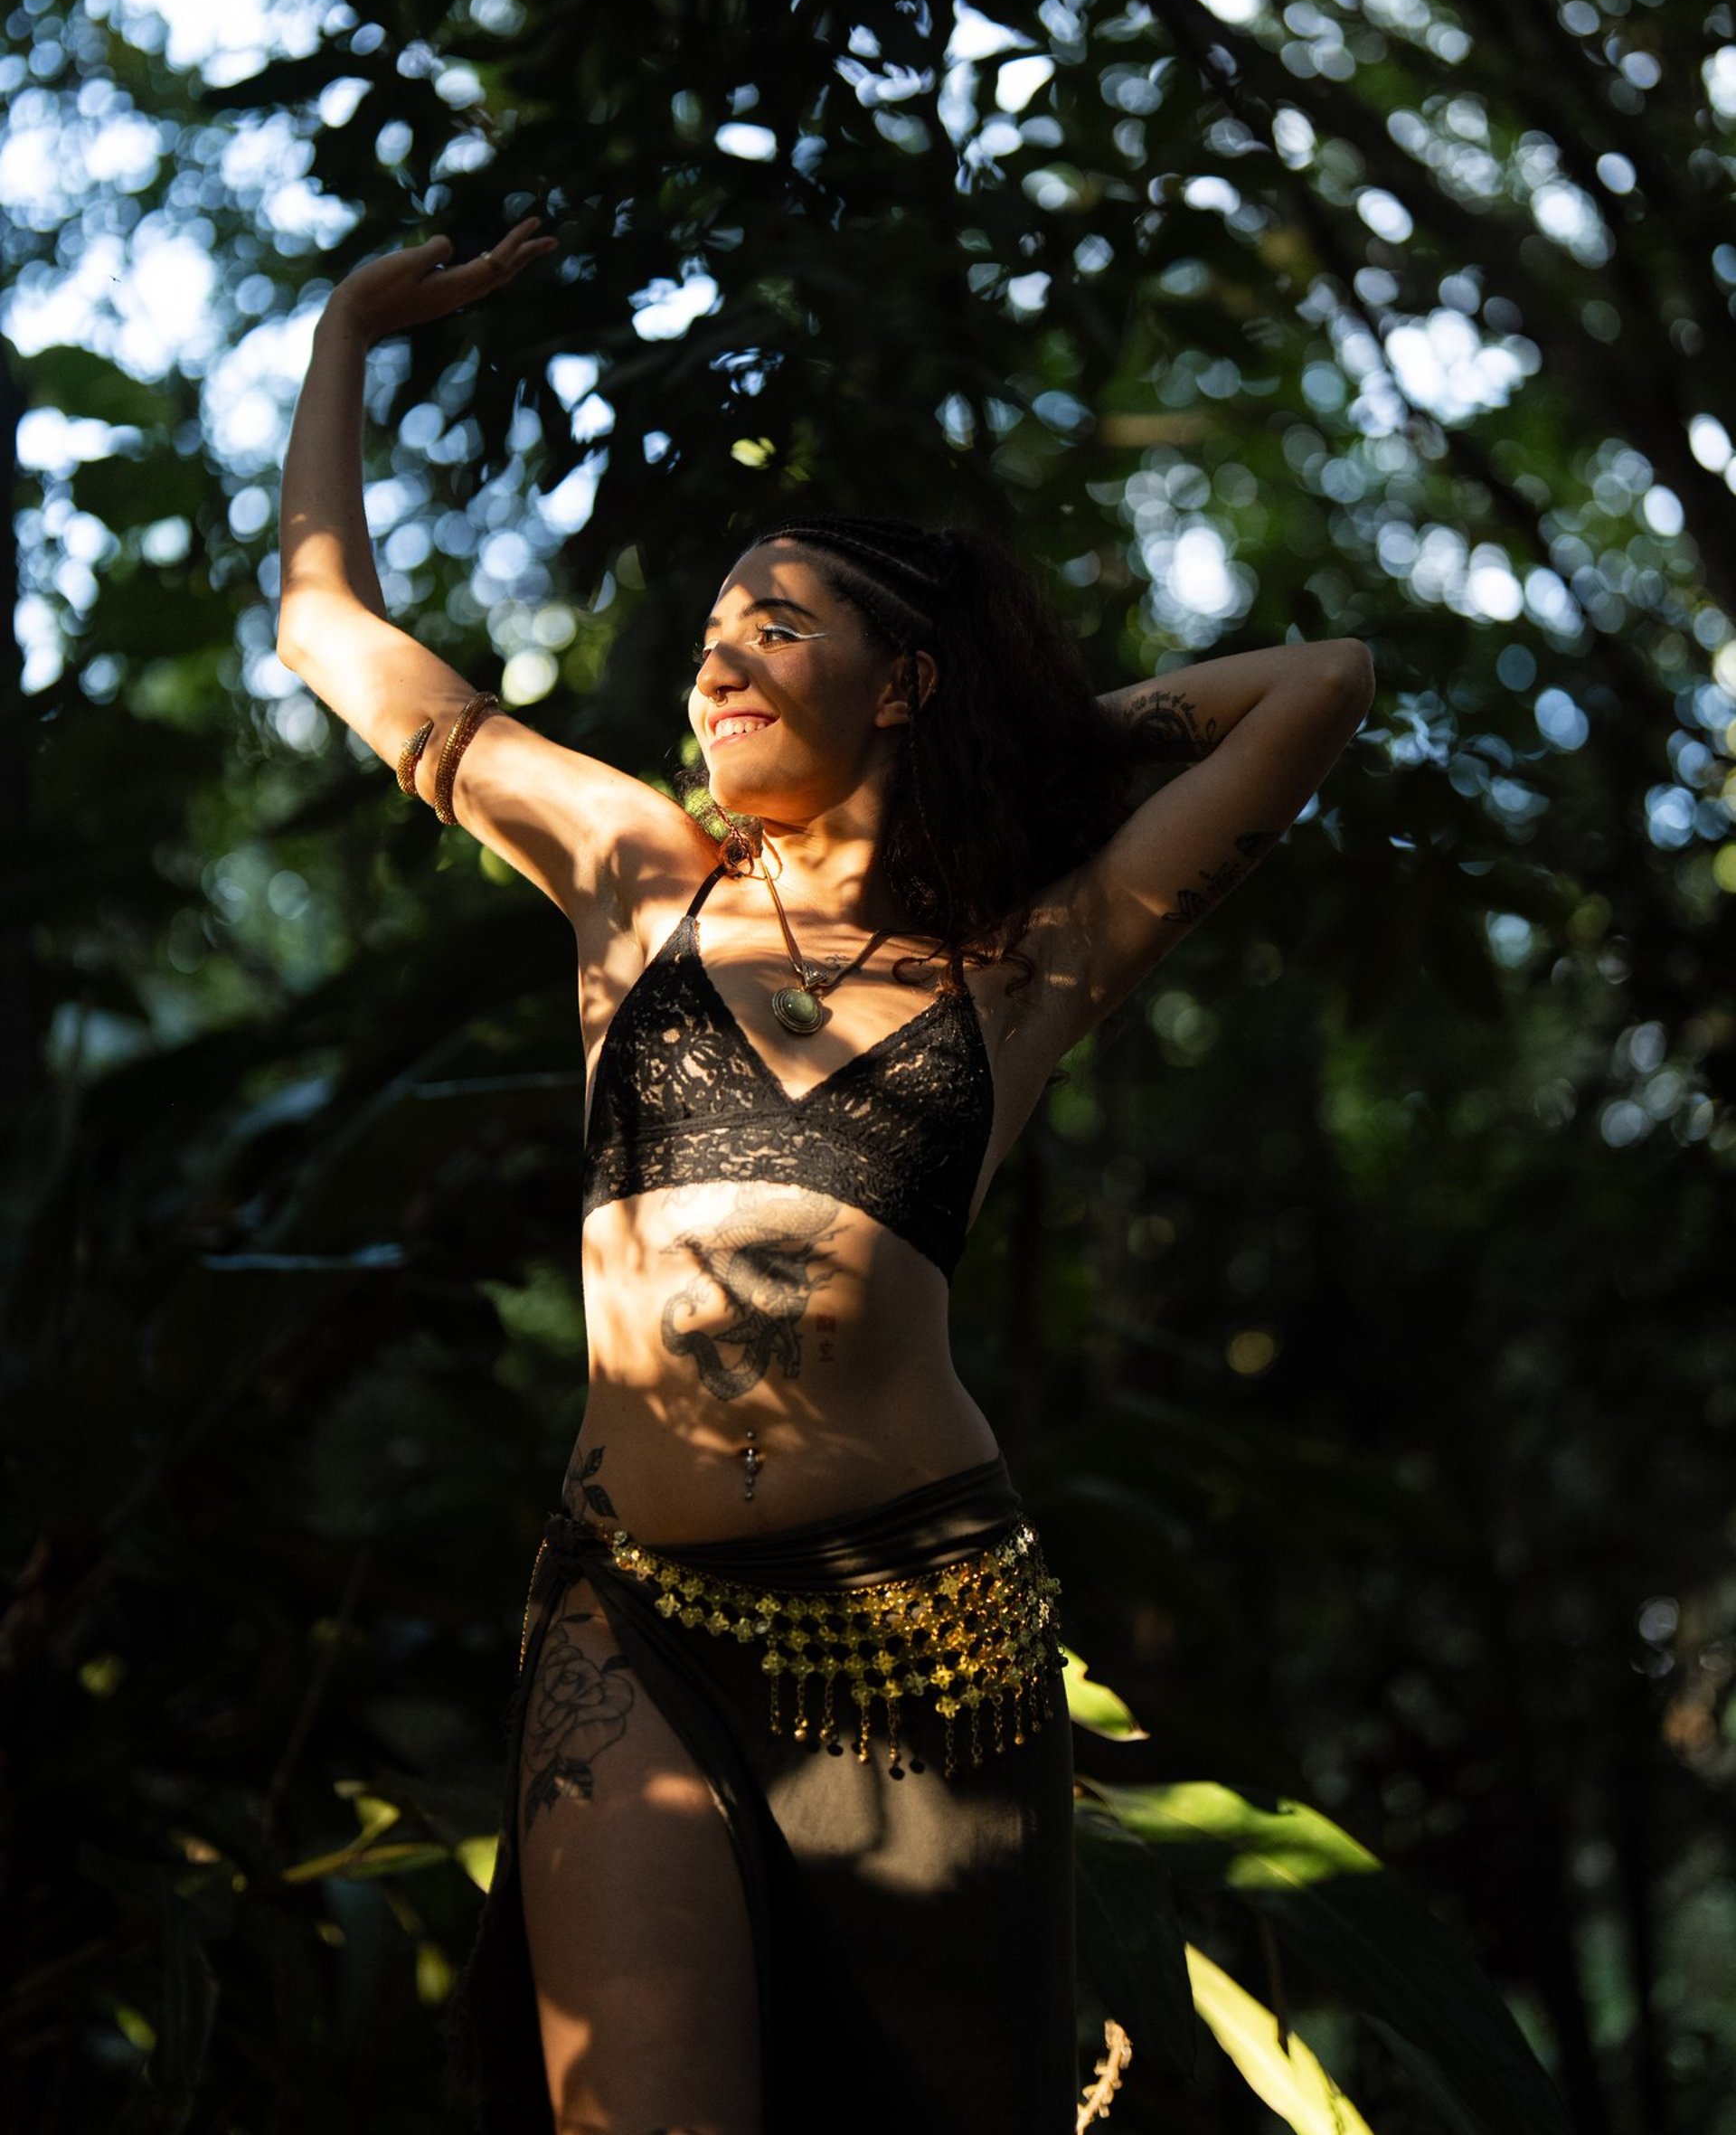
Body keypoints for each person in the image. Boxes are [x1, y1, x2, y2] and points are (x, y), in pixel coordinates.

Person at [275, 221, 1376, 2135]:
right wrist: (347, 332)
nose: (722, 662)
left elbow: (1325, 681)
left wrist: (1029, 750)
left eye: (779, 628)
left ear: (906, 682)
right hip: (631, 1620)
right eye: (714, 635)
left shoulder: (1026, 963)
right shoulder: (632, 872)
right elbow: (324, 634)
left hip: (918, 1628)